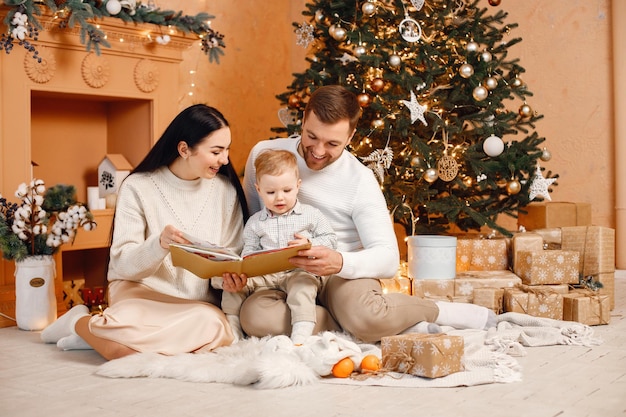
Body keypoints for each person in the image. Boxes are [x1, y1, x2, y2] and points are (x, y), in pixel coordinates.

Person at [236, 85, 496, 343]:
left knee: (368, 317)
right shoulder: (264, 155)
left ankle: (437, 312)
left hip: (341, 275)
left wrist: (339, 262)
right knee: (255, 318)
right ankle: (354, 323)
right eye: (312, 136)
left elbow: (388, 258)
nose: (318, 150)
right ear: (303, 120)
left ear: (350, 137)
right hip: (282, 276)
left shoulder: (360, 179)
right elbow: (252, 218)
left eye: (332, 143)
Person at [41, 104, 250, 360]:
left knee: (215, 326)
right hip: (139, 292)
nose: (225, 160)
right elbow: (123, 264)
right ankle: (80, 322)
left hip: (196, 305)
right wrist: (159, 245)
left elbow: (231, 255)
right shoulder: (138, 186)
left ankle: (100, 334)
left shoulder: (225, 192)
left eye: (227, 149)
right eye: (216, 151)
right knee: (124, 353)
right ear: (184, 149)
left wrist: (227, 279)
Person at [215, 149, 337, 345]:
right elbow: (250, 249)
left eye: (286, 191)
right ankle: (233, 331)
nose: (279, 198)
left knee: (302, 286)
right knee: (234, 285)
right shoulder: (256, 222)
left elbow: (331, 239)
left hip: (299, 270)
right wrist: (248, 264)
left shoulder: (311, 215)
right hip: (266, 274)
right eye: (271, 192)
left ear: (298, 186)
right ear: (259, 190)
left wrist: (310, 244)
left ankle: (301, 335)